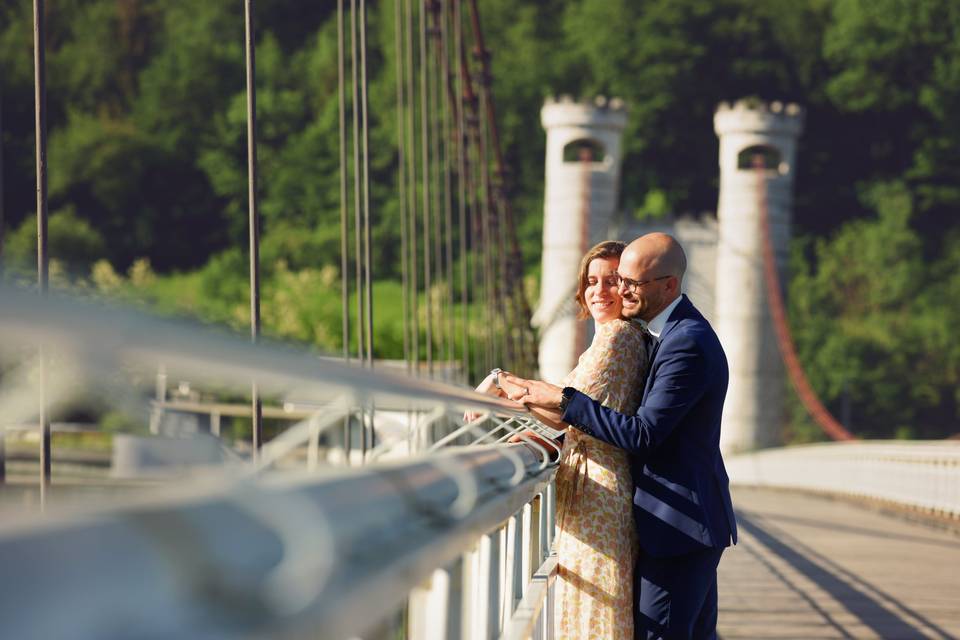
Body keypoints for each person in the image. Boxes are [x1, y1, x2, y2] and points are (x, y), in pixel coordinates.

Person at [504, 233, 737, 640]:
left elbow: (644, 434)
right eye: (620, 279)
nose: (621, 290)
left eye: (632, 283)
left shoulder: (687, 343)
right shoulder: (664, 333)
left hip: (679, 527)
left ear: (669, 286)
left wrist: (562, 398)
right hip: (678, 522)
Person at [472, 240, 650, 640]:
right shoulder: (617, 337)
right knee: (587, 606)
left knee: (593, 610)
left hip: (599, 491)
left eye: (612, 281)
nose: (599, 291)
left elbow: (568, 408)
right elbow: (569, 413)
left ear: (628, 288)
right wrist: (516, 393)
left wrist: (503, 381)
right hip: (591, 485)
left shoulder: (618, 337)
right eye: (591, 281)